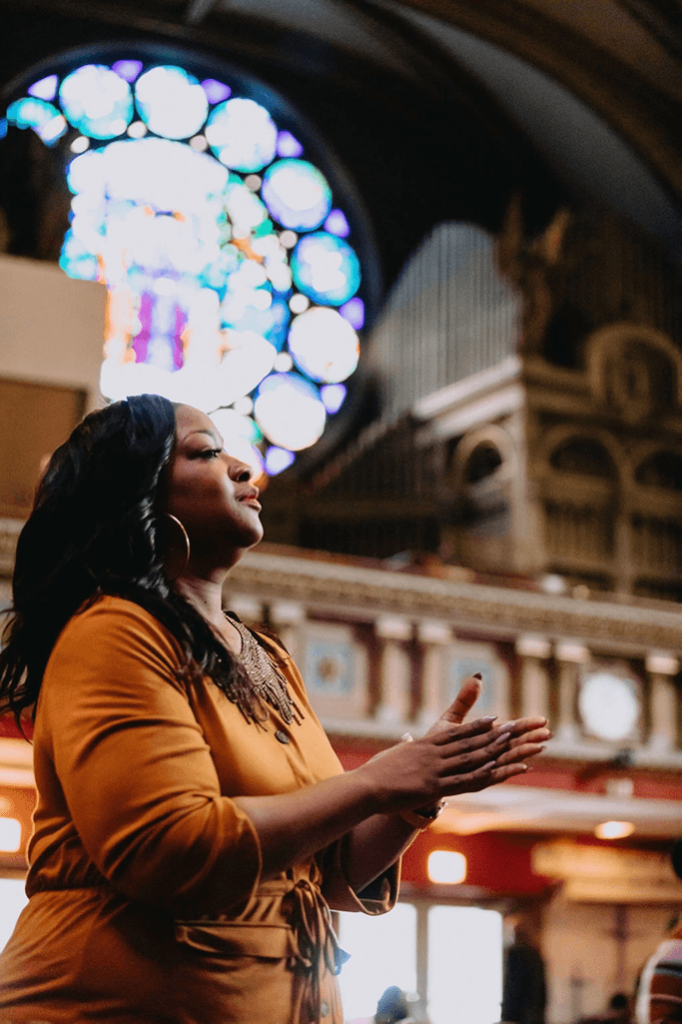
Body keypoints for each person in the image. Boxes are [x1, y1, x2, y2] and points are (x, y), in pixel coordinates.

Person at [0, 395, 551, 1024]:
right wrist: (373, 783)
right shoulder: (115, 631)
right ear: (137, 495)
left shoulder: (268, 656)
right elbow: (168, 849)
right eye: (207, 452)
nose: (243, 468)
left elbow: (329, 873)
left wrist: (411, 797)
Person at [501, 915, 547, 1024]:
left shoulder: (517, 954)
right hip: (535, 1015)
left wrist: (508, 1016)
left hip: (520, 1016)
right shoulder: (536, 954)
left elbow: (513, 987)